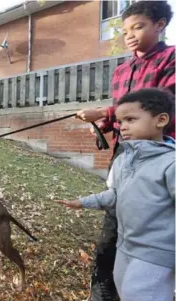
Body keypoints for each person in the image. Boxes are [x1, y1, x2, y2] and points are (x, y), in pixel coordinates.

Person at [74, 1, 175, 299]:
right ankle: (106, 290)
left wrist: (104, 110)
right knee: (114, 223)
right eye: (124, 30)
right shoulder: (122, 70)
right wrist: (104, 120)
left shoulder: (170, 60)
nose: (129, 35)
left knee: (152, 222)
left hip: (157, 158)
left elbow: (164, 107)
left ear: (160, 25)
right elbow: (125, 116)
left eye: (138, 27)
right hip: (125, 156)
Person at [60, 88, 175, 301]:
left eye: (131, 119)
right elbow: (114, 195)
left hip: (156, 255)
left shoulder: (171, 163)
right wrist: (83, 202)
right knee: (124, 292)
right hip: (124, 247)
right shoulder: (123, 160)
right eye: (120, 122)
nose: (123, 127)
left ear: (161, 120)